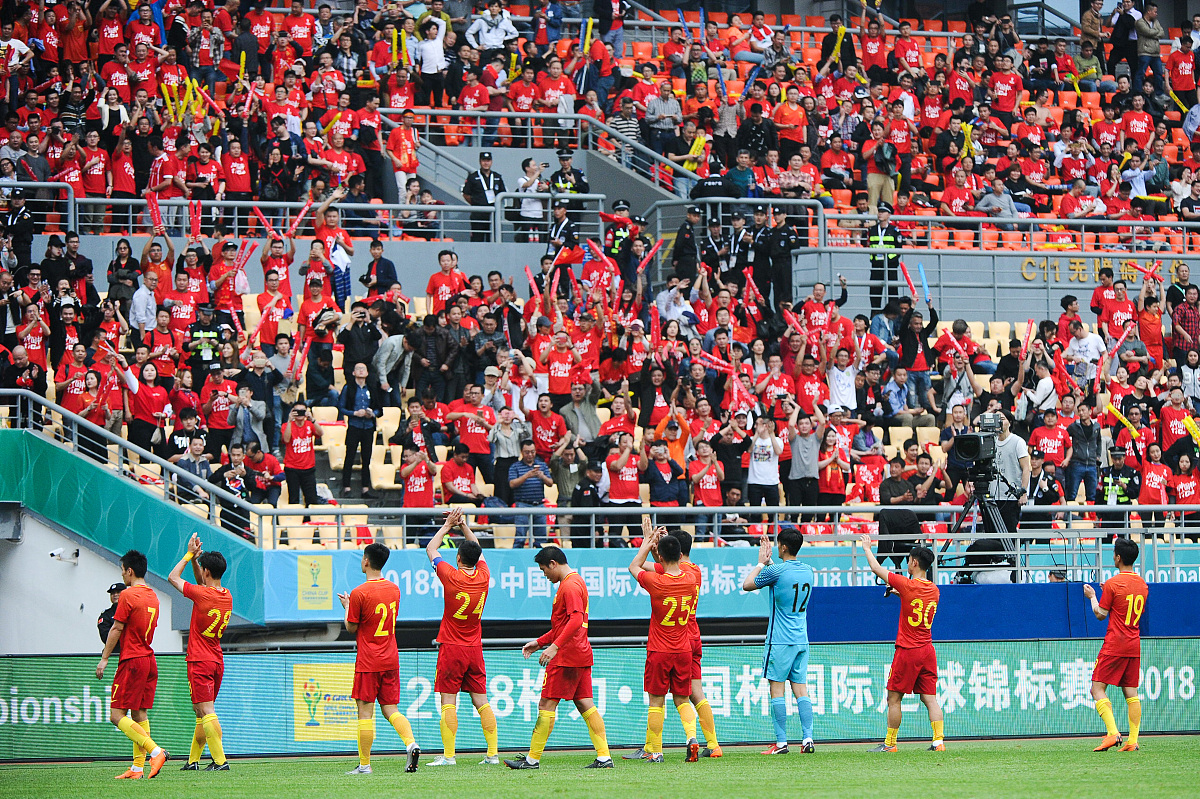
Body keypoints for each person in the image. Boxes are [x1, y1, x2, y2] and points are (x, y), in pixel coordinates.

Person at [506, 546, 612, 769]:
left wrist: (553, 647)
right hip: (580, 652)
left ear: (553, 563)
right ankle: (604, 757)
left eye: (544, 570)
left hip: (567, 656)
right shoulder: (575, 582)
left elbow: (575, 621)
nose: (544, 575)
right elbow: (564, 625)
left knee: (546, 703)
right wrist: (540, 642)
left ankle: (532, 759)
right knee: (585, 703)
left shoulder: (570, 586)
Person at [338, 543, 421, 775]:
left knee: (365, 711)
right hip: (390, 658)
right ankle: (411, 743)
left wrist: (346, 607)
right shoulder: (394, 589)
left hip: (368, 660)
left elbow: (352, 627)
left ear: (366, 561)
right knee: (391, 709)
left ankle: (364, 765)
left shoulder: (358, 593)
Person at [425, 509, 500, 766]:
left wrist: (448, 525)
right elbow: (477, 550)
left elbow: (431, 549)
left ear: (457, 557)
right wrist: (465, 526)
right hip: (474, 648)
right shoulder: (483, 576)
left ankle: (448, 756)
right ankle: (492, 754)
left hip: (452, 646)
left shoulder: (451, 575)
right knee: (481, 701)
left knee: (448, 701)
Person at [858, 534, 945, 752]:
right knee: (930, 699)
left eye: (908, 559)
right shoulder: (935, 590)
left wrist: (867, 548)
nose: (907, 563)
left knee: (894, 698)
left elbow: (877, 569)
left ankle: (890, 744)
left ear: (914, 562)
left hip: (908, 650)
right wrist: (900, 595)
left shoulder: (906, 584)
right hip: (927, 650)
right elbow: (916, 601)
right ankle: (939, 741)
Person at [626, 521, 700, 764]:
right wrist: (661, 546)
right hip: (683, 650)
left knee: (656, 701)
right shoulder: (691, 578)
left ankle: (656, 751)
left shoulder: (656, 582)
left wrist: (648, 543)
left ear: (660, 557)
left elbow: (634, 566)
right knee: (683, 699)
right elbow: (669, 565)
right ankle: (692, 738)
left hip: (659, 649)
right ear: (680, 555)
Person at [95, 550, 170, 779]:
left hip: (132, 660)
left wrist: (105, 658)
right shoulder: (154, 596)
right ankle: (138, 768)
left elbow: (117, 628)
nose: (122, 574)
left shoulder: (128, 595)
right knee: (139, 714)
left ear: (129, 570)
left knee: (116, 715)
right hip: (149, 659)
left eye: (122, 570)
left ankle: (156, 752)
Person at [742, 527, 816, 755]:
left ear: (783, 547)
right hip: (801, 639)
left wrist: (761, 563)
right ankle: (808, 739)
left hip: (780, 641)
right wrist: (772, 562)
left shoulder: (777, 572)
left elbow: (747, 584)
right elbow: (784, 575)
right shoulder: (808, 571)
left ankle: (781, 743)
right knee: (801, 690)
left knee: (777, 691)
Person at [168, 534, 233, 771]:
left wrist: (187, 555)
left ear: (207, 572)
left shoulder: (202, 594)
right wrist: (197, 560)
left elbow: (172, 577)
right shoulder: (226, 595)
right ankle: (193, 761)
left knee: (207, 710)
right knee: (201, 712)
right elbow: (201, 583)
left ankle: (220, 761)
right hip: (216, 659)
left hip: (199, 659)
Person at [1083, 537, 1148, 752]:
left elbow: (1101, 614)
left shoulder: (1113, 583)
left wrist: (1093, 596)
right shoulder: (1142, 584)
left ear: (1118, 557)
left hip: (1114, 644)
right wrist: (1107, 593)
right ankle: (1133, 741)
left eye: (1114, 554)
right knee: (1131, 693)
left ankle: (1113, 733)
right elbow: (1124, 603)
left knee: (1097, 688)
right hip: (1133, 644)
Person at [97, 582, 125, 646]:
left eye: (118, 592)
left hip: (132, 651)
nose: (115, 595)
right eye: (112, 593)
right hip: (114, 652)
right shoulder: (106, 615)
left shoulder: (132, 612)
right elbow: (106, 637)